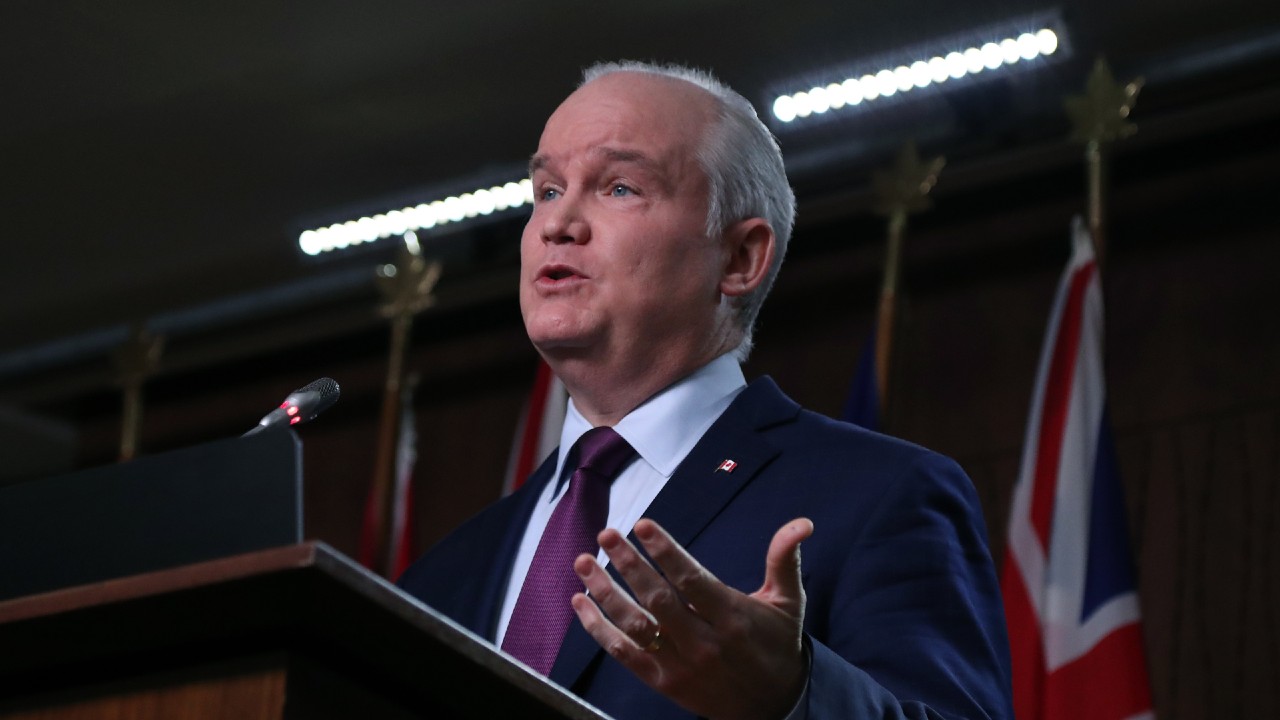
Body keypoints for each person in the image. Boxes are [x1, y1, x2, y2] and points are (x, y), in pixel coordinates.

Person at [398, 60, 1012, 720]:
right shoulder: (443, 575)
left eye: (620, 188)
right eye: (547, 190)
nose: (559, 223)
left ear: (740, 259)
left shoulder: (881, 497)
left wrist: (794, 698)